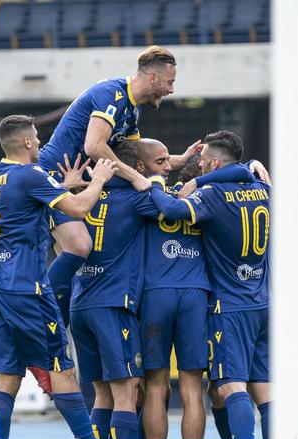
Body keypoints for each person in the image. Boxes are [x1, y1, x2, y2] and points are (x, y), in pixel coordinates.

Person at [0, 115, 134, 439]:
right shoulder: (30, 175)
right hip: (27, 291)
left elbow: (27, 203)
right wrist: (97, 180)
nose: (41, 142)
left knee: (8, 375)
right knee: (62, 369)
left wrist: (61, 186)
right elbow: (78, 210)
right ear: (28, 143)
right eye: (38, 137)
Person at [39, 45, 200, 327]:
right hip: (57, 177)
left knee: (74, 260)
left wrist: (181, 160)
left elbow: (143, 159)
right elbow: (94, 145)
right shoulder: (111, 93)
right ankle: (40, 317)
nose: (171, 89)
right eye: (170, 82)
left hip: (81, 182)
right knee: (79, 246)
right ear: (152, 77)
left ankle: (54, 334)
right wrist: (135, 177)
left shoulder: (132, 112)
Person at [149, 130, 271, 439]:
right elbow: (247, 172)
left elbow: (172, 209)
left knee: (230, 385)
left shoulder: (214, 194)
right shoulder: (263, 189)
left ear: (215, 163)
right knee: (264, 391)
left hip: (229, 304)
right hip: (263, 301)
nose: (199, 168)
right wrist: (247, 166)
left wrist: (154, 182)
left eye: (203, 163)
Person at [69, 142, 162, 439]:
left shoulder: (83, 197)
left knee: (101, 395)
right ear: (132, 166)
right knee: (127, 391)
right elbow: (165, 203)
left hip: (80, 304)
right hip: (113, 304)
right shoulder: (134, 199)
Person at [134, 139, 209, 439]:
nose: (167, 166)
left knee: (156, 385)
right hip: (195, 292)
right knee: (193, 387)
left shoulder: (147, 196)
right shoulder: (202, 198)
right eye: (162, 161)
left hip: (156, 293)